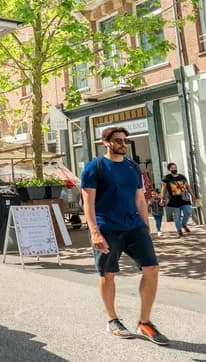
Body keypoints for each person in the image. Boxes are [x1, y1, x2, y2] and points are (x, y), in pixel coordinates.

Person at [81, 126, 169, 346]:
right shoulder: (95, 167)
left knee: (152, 269)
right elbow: (88, 203)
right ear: (106, 142)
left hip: (134, 226)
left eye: (125, 140)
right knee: (108, 274)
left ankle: (145, 321)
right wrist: (94, 232)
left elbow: (139, 198)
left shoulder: (132, 166)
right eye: (118, 140)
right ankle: (112, 319)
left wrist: (145, 225)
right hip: (107, 228)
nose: (123, 144)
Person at [163, 163, 194, 237]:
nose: (174, 169)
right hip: (174, 200)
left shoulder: (182, 177)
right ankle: (179, 230)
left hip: (184, 198)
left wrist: (192, 195)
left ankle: (183, 224)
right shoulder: (166, 178)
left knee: (188, 212)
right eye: (172, 168)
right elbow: (164, 189)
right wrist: (162, 198)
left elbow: (188, 186)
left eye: (175, 167)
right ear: (169, 169)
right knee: (177, 216)